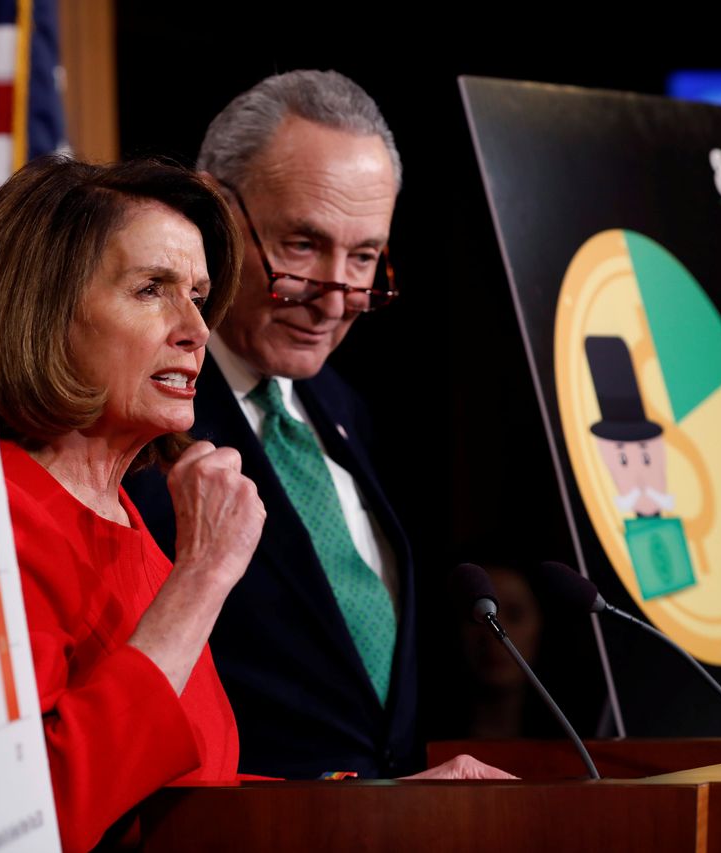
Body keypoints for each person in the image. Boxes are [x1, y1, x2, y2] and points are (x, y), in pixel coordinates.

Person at [127, 70, 507, 780]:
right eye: (302, 244)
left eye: (364, 257)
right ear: (214, 209)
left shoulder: (343, 408)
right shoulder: (137, 423)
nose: (336, 299)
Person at [0, 155, 266, 851]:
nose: (196, 326)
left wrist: (387, 806)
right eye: (151, 289)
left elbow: (183, 792)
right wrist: (203, 577)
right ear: (43, 312)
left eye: (198, 292)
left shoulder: (137, 529)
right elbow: (31, 815)